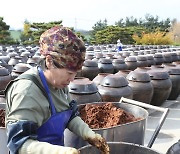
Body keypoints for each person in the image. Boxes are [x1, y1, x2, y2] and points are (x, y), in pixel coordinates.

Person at [5, 26, 109, 154]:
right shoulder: (27, 91)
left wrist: (89, 134)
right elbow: (19, 144)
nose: (72, 79)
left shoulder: (60, 85)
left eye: (75, 73)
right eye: (69, 72)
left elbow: (70, 115)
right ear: (49, 61)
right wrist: (59, 152)